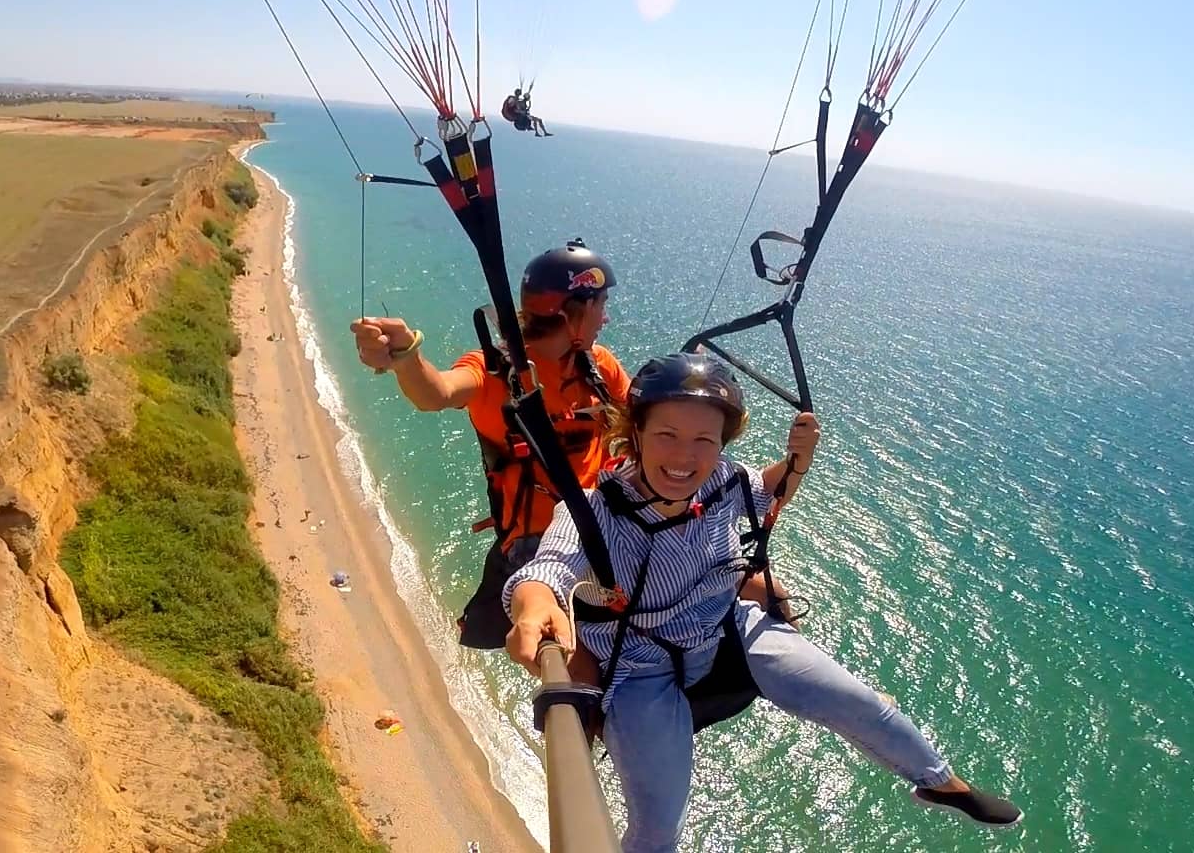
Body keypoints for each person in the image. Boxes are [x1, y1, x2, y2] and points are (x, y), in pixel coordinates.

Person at [503, 353, 1022, 852]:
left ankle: (938, 780)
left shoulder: (725, 478)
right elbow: (549, 566)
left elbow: (765, 490)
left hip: (729, 626)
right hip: (641, 667)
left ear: (722, 443)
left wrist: (798, 461)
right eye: (667, 435)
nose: (684, 457)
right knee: (659, 824)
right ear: (635, 432)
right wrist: (532, 603)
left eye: (703, 440)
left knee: (859, 701)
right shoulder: (594, 511)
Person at [352, 239, 623, 649]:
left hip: (599, 523)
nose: (605, 319)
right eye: (600, 306)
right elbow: (438, 392)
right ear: (575, 312)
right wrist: (406, 355)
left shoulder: (597, 365)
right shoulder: (496, 371)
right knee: (589, 649)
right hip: (541, 542)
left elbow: (644, 416)